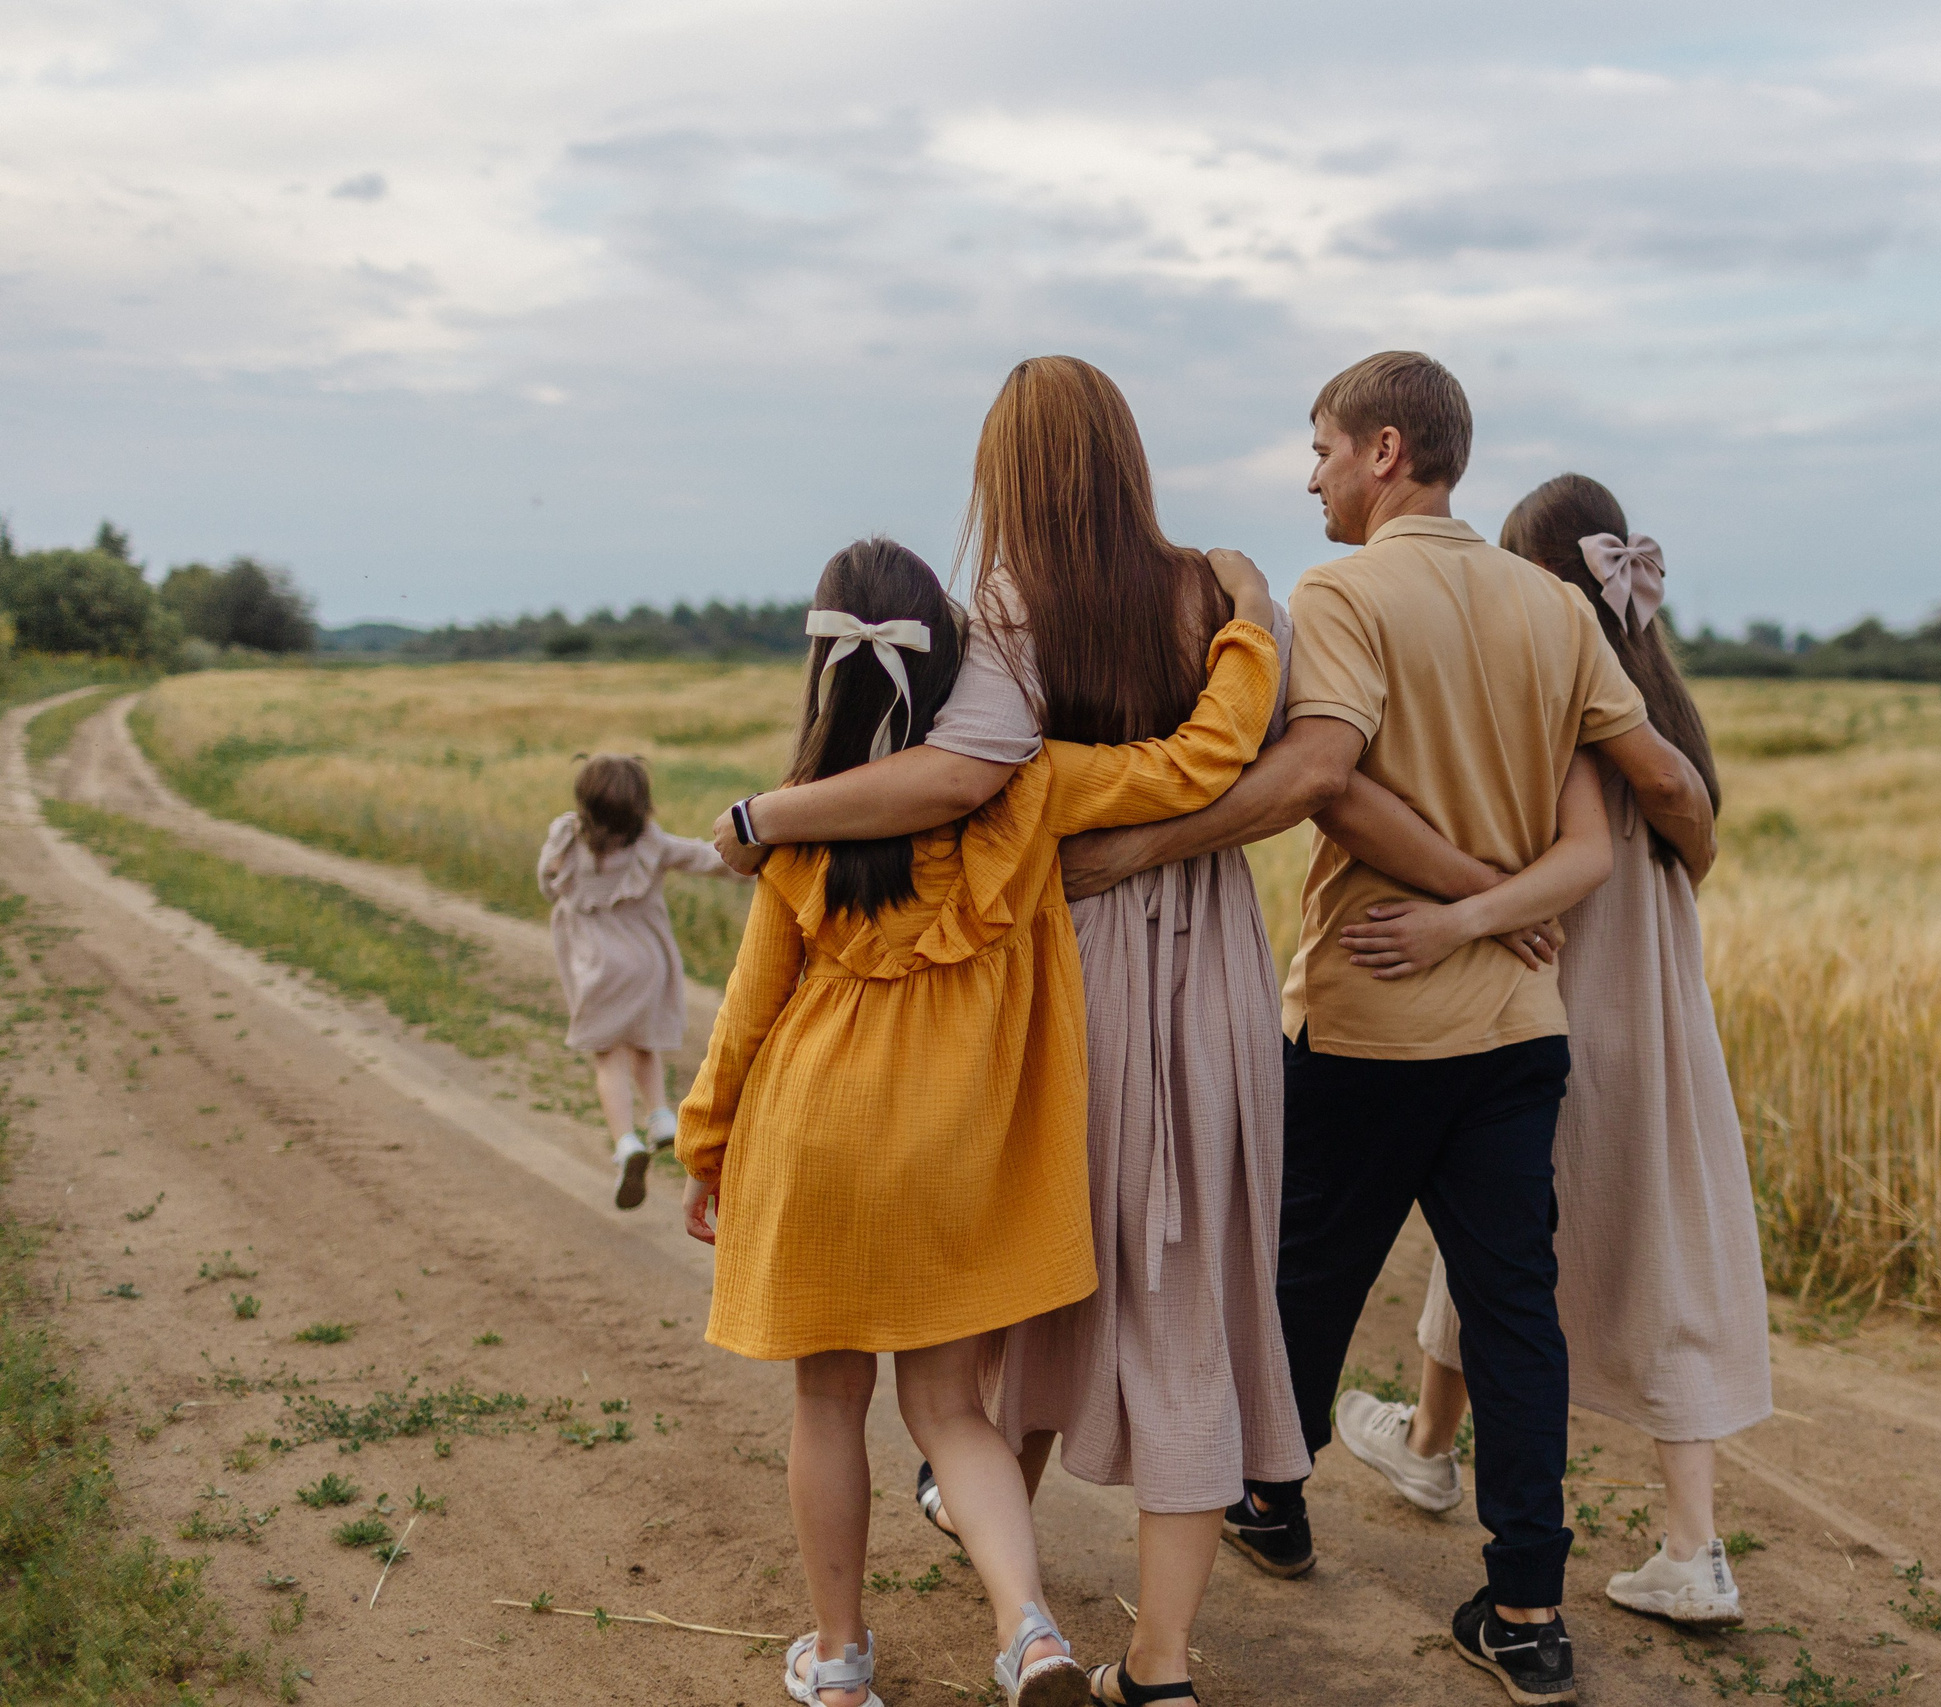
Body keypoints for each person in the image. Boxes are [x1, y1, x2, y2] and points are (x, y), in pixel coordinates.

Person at [1056, 353, 1717, 1707]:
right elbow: (1606, 827)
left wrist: (1139, 850)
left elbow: (1328, 785)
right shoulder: (1552, 604)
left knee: (1298, 1274)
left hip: (1367, 1004)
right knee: (1513, 1313)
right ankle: (1529, 1609)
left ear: (1386, 450)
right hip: (1518, 1030)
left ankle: (1271, 1505)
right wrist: (1493, 906)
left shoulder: (1343, 592)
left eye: (1319, 447)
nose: (1308, 475)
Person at [710, 357, 1308, 1707]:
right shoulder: (1207, 597)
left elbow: (960, 777)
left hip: (978, 1023)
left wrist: (770, 814)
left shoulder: (993, 627)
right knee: (1136, 1320)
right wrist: (1253, 621)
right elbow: (1214, 756)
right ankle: (1090, 1641)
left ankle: (881, 1633)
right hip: (1201, 960)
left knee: (914, 1350)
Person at [1318, 474, 1772, 1629]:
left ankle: (1473, 1466)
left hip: (1563, 994)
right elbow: (1680, 798)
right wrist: (1697, 853)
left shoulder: (1567, 697)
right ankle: (1654, 1529)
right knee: (1578, 1245)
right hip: (1659, 1010)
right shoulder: (1656, 697)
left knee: (1525, 1242)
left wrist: (1472, 914)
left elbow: (1646, 799)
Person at [537, 753, 739, 1210]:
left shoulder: (567, 839)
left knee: (608, 1056)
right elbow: (709, 860)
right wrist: (766, 856)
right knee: (643, 1042)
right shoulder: (653, 844)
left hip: (597, 969)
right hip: (645, 963)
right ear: (640, 807)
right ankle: (662, 1116)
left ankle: (626, 1142)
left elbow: (548, 884)